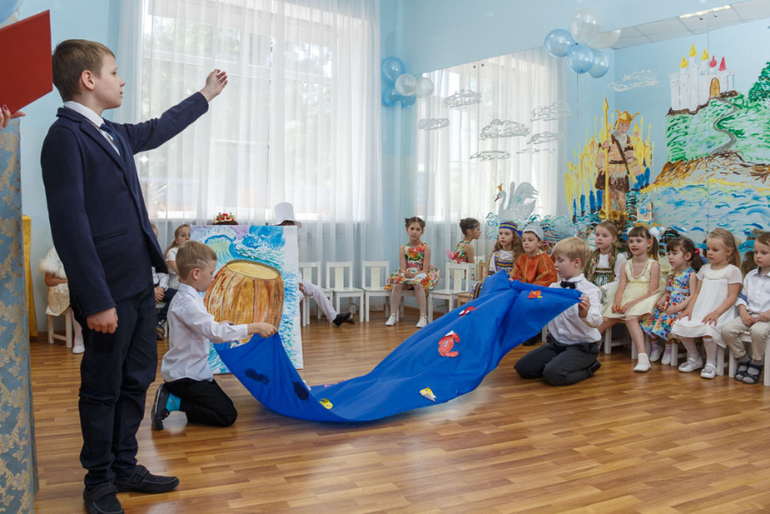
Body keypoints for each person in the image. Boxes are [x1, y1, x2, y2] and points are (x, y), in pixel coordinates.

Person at [40, 39, 227, 514]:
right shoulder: (64, 137)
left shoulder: (113, 132)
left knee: (136, 379)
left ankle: (125, 465)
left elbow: (159, 128)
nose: (121, 80)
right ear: (88, 79)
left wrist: (204, 95)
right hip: (107, 291)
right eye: (114, 72)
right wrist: (96, 299)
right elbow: (70, 227)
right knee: (102, 387)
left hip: (140, 285)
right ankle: (98, 482)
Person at [152, 241, 277, 430]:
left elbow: (204, 327)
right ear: (196, 273)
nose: (213, 278)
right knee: (227, 415)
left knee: (217, 406)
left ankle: (177, 397)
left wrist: (221, 325)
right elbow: (216, 334)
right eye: (211, 273)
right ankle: (173, 401)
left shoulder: (188, 298)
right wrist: (254, 327)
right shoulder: (188, 303)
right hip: (186, 377)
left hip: (192, 372)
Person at [514, 237, 602, 386]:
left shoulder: (589, 290)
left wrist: (584, 314)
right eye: (555, 260)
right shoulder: (554, 288)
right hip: (557, 344)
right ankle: (558, 363)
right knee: (522, 368)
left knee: (553, 376)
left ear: (576, 262)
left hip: (582, 347)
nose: (555, 265)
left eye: (560, 260)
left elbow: (597, 321)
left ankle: (590, 367)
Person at [671, 228, 743, 379]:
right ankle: (694, 357)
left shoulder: (733, 270)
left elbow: (732, 297)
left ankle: (711, 363)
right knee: (680, 324)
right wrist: (689, 309)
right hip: (701, 309)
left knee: (708, 330)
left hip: (722, 312)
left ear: (729, 251)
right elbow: (696, 293)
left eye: (715, 250)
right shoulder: (704, 269)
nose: (710, 253)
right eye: (708, 249)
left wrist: (716, 312)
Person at [273, 202, 353, 326]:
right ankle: (286, 323)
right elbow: (278, 269)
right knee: (298, 295)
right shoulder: (275, 245)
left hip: (296, 278)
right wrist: (293, 284)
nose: (288, 227)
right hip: (283, 281)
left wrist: (297, 282)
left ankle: (334, 317)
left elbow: (293, 267)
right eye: (285, 224)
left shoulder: (292, 243)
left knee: (317, 290)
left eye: (290, 224)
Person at [599, 225, 663, 372]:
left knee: (630, 318)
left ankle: (643, 357)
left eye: (639, 241)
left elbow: (652, 291)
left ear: (648, 243)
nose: (634, 244)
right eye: (631, 241)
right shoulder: (626, 265)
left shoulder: (653, 265)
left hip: (646, 298)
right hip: (627, 296)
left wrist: (632, 303)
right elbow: (621, 288)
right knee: (605, 319)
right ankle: (588, 345)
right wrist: (617, 302)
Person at [641, 237, 702, 365]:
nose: (670, 257)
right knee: (649, 318)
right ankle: (656, 346)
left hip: (680, 308)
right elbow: (667, 290)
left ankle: (668, 349)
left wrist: (678, 308)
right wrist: (662, 301)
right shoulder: (671, 273)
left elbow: (692, 295)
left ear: (687, 256)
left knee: (668, 320)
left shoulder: (691, 274)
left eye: (674, 254)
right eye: (669, 254)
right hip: (668, 305)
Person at [721, 232, 770, 384]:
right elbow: (742, 297)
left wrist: (768, 313)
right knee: (727, 330)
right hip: (749, 315)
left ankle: (757, 361)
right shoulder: (750, 275)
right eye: (756, 252)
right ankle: (743, 358)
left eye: (764, 253)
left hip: (766, 319)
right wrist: (743, 312)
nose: (758, 256)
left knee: (758, 331)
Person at [385, 216, 440, 328]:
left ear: (422, 231)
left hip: (420, 273)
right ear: (407, 230)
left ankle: (423, 317)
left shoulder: (425, 248)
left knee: (418, 284)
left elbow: (425, 269)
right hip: (407, 273)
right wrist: (406, 273)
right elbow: (403, 268)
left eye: (418, 229)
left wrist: (415, 274)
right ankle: (393, 315)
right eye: (412, 229)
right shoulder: (403, 248)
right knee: (397, 284)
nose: (414, 232)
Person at [512, 222, 557, 345]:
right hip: (524, 290)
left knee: (529, 300)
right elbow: (516, 275)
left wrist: (528, 289)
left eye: (530, 240)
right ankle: (517, 330)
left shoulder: (544, 259)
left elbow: (547, 278)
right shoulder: (522, 259)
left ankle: (532, 332)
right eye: (524, 240)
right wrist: (519, 286)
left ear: (539, 243)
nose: (526, 243)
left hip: (540, 291)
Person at [38, 246, 85, 354]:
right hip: (63, 288)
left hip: (85, 286)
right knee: (77, 294)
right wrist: (70, 282)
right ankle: (79, 340)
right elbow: (49, 281)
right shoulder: (56, 250)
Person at [595, 110, 642, 214]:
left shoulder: (627, 139)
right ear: (617, 124)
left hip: (621, 170)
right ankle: (607, 215)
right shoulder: (609, 138)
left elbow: (629, 156)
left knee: (621, 196)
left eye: (626, 125)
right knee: (608, 195)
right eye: (622, 125)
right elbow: (601, 156)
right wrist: (603, 150)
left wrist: (636, 169)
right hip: (609, 169)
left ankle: (620, 216)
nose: (624, 128)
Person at [469, 221, 523, 300]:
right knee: (477, 286)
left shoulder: (519, 256)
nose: (502, 237)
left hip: (511, 283)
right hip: (496, 282)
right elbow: (491, 274)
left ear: (514, 237)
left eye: (507, 234)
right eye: (500, 234)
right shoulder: (496, 254)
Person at [584, 220, 627, 295]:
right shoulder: (591, 256)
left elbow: (619, 280)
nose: (599, 238)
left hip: (611, 291)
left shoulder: (619, 258)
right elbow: (585, 275)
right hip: (592, 290)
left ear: (614, 239)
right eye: (597, 235)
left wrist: (601, 289)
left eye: (604, 236)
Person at [151, 224, 175, 340]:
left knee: (178, 295)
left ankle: (159, 320)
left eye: (155, 236)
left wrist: (161, 287)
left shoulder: (156, 252)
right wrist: (151, 291)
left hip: (158, 285)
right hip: (144, 288)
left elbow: (163, 273)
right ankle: (150, 326)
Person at [164, 223, 190, 290]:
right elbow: (179, 272)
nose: (187, 238)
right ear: (176, 240)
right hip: (176, 286)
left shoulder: (193, 252)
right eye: (183, 235)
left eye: (189, 235)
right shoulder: (172, 252)